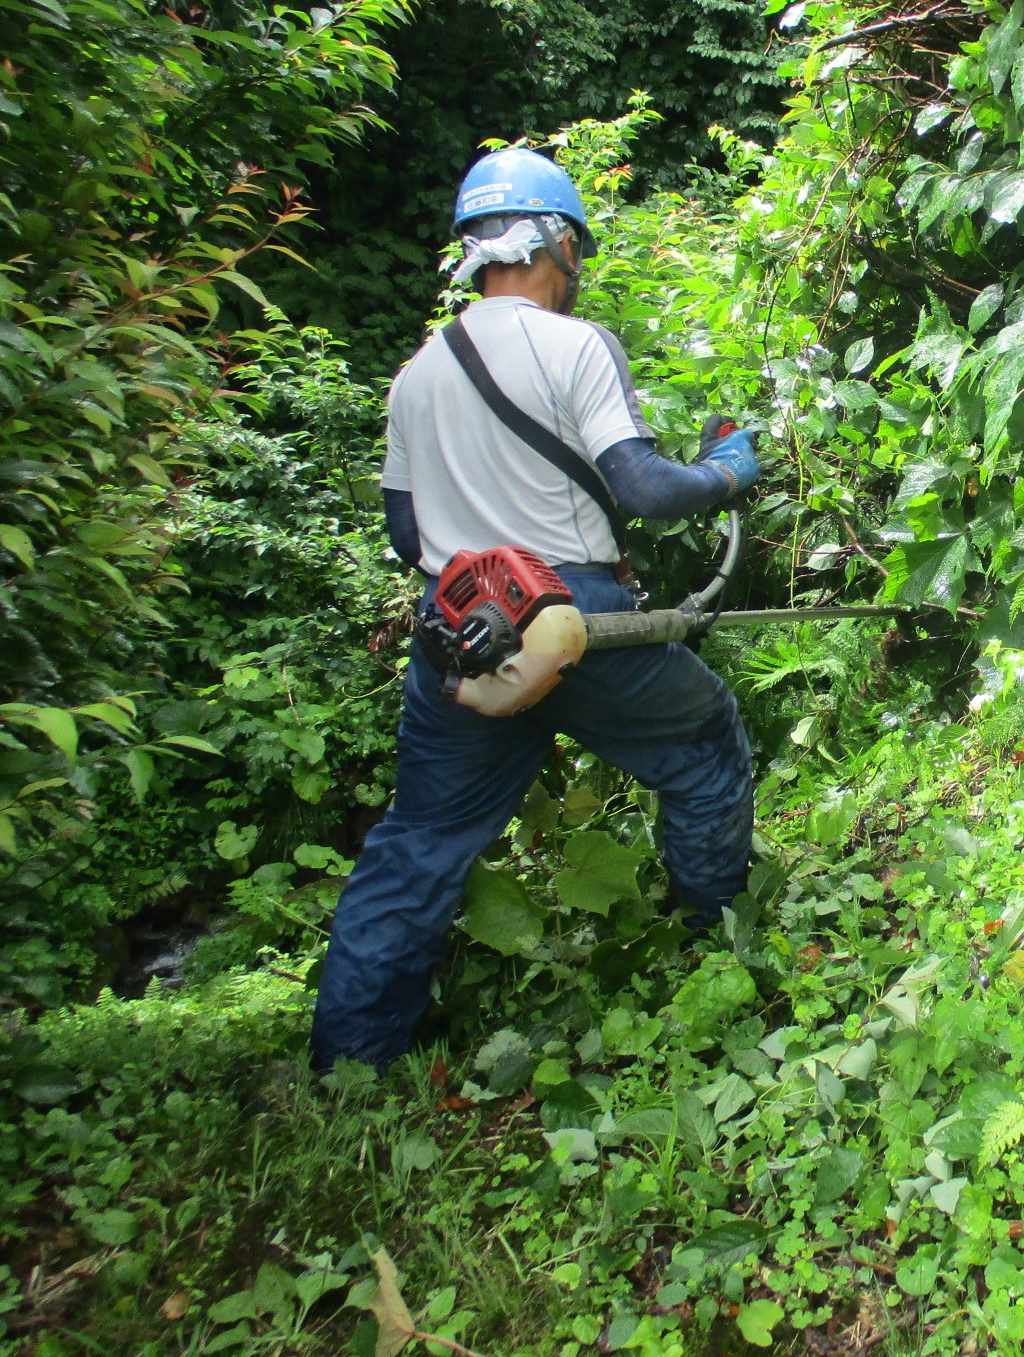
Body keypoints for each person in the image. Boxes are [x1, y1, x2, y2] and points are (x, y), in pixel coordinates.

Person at [310, 148, 762, 1071]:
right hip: (578, 615)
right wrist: (726, 473)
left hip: (464, 634)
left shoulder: (415, 374)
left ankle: (350, 1065)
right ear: (557, 241)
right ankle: (719, 956)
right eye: (574, 249)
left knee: (421, 842)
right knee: (706, 747)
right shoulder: (575, 344)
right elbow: (641, 486)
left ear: (476, 249)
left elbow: (408, 535)